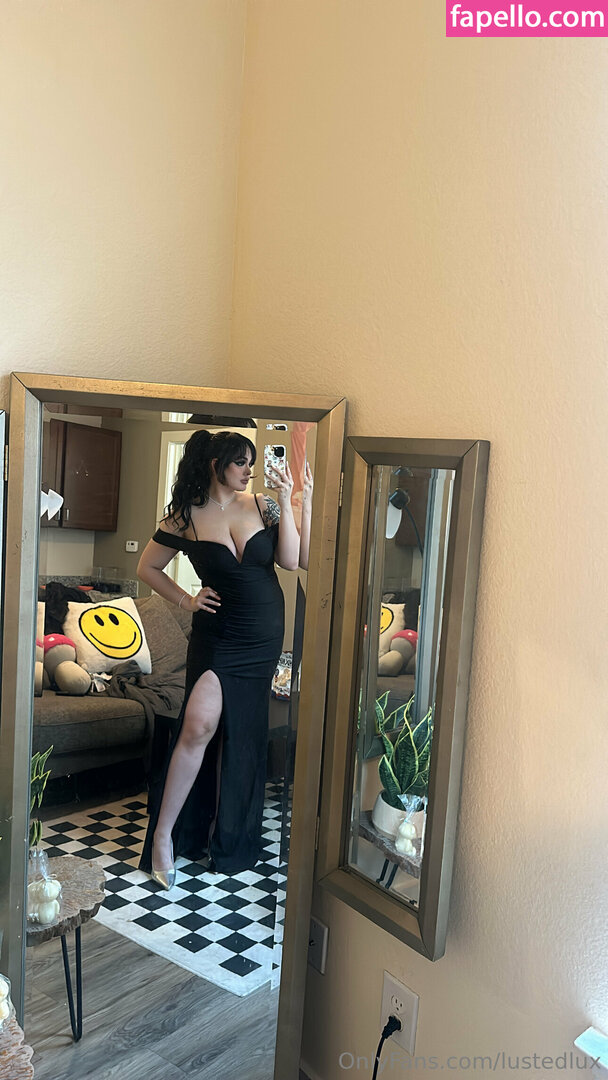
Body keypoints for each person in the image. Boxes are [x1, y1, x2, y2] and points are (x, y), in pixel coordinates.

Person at [137, 429, 313, 887]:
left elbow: (295, 560)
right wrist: (186, 600)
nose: (249, 470)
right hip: (217, 637)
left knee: (241, 734)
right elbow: (147, 567)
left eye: (252, 462)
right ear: (216, 465)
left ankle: (226, 835)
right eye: (241, 462)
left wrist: (293, 498)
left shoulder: (263, 505)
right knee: (198, 725)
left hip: (262, 636)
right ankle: (164, 835)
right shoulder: (185, 515)